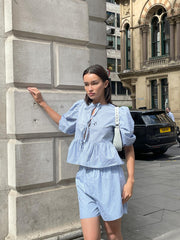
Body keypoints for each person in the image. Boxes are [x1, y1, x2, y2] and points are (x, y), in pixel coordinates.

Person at [28, 64, 136, 240]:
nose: (90, 88)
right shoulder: (80, 107)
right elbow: (64, 124)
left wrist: (130, 181)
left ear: (106, 83)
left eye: (94, 83)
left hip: (108, 178)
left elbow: (129, 148)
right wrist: (42, 103)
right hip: (84, 178)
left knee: (113, 234)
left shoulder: (119, 113)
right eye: (86, 84)